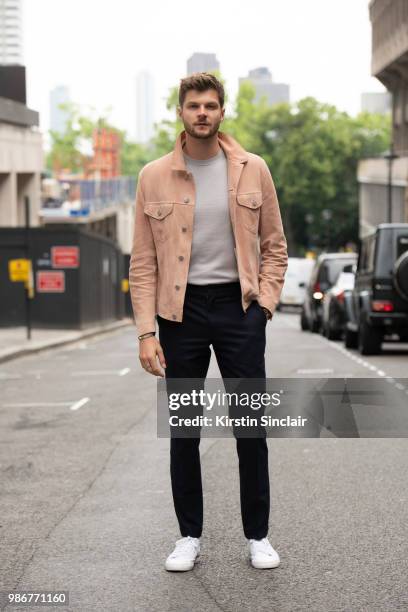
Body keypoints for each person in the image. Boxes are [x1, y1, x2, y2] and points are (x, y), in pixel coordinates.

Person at [129, 72, 288, 571]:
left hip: (240, 311)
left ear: (222, 112)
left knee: (250, 428)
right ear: (180, 111)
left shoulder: (252, 169)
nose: (202, 112)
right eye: (194, 105)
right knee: (184, 431)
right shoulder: (153, 176)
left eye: (211, 105)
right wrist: (146, 331)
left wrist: (263, 305)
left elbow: (275, 246)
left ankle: (257, 536)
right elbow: (143, 262)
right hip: (181, 315)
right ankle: (188, 536)